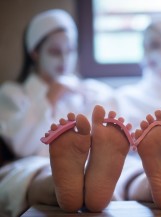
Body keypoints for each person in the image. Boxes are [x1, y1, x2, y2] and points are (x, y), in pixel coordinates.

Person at [0, 9, 113, 216]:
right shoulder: (13, 93)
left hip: (94, 165)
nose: (64, 59)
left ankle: (145, 185)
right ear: (34, 52)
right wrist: (50, 98)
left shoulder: (91, 91)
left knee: (127, 172)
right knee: (38, 174)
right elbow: (23, 147)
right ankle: (69, 184)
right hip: (32, 163)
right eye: (55, 51)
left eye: (70, 50)